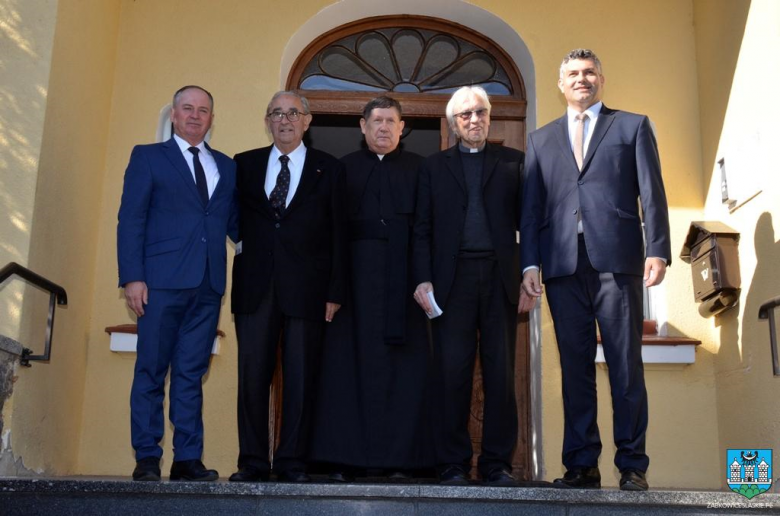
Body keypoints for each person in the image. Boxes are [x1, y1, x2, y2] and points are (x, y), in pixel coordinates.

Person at [519, 49, 671, 491]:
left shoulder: (632, 126)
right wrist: (530, 261)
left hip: (618, 263)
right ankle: (582, 465)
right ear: (561, 84)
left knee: (625, 367)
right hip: (563, 266)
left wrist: (657, 248)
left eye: (589, 73)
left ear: (600, 80)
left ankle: (632, 465)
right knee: (575, 368)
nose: (581, 80)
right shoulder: (540, 140)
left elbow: (652, 192)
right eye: (573, 74)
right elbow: (531, 210)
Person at [309, 97, 434, 480]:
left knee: (405, 372)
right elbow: (330, 232)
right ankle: (344, 459)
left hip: (406, 284)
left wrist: (424, 279)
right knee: (347, 368)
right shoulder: (342, 169)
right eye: (376, 120)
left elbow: (428, 228)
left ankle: (401, 462)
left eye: (390, 121)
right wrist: (333, 289)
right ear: (362, 127)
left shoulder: (421, 168)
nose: (383, 127)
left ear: (402, 127)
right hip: (353, 284)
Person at [413, 86, 532, 486]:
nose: (474, 119)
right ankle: (452, 464)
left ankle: (497, 463)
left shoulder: (515, 162)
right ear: (453, 122)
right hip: (451, 282)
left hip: (501, 280)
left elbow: (530, 224)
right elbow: (422, 228)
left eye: (480, 111)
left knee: (501, 374)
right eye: (465, 114)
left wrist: (531, 274)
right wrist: (422, 277)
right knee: (451, 373)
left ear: (490, 115)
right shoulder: (432, 167)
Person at [117, 85, 237, 482]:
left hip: (207, 285)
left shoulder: (226, 165)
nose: (195, 116)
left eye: (203, 110)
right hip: (160, 282)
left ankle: (188, 459)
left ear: (211, 118)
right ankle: (147, 457)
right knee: (151, 369)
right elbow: (131, 219)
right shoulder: (148, 157)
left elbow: (233, 223)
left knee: (190, 372)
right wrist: (133, 277)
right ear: (173, 113)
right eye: (188, 108)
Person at [229, 91, 347, 483]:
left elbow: (338, 235)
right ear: (267, 121)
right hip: (255, 288)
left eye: (292, 113)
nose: (284, 120)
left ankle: (292, 460)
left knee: (300, 376)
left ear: (307, 121)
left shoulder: (328, 169)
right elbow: (231, 220)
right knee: (252, 378)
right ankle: (252, 461)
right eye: (276, 113)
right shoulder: (243, 165)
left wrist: (334, 292)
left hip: (308, 290)